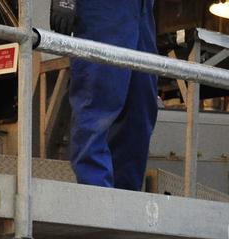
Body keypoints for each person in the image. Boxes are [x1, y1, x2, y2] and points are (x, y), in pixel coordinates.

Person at [55, 0, 158, 190]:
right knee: (97, 103)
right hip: (103, 7)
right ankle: (98, 198)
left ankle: (123, 201)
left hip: (142, 9)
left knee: (139, 109)